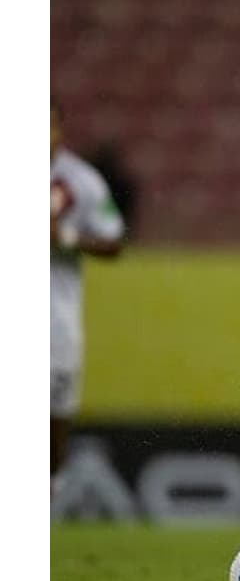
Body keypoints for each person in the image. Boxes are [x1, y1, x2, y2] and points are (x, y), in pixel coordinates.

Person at [51, 101, 127, 488]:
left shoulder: (82, 181)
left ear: (58, 129)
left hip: (55, 325)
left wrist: (63, 236)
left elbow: (114, 243)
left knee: (53, 421)